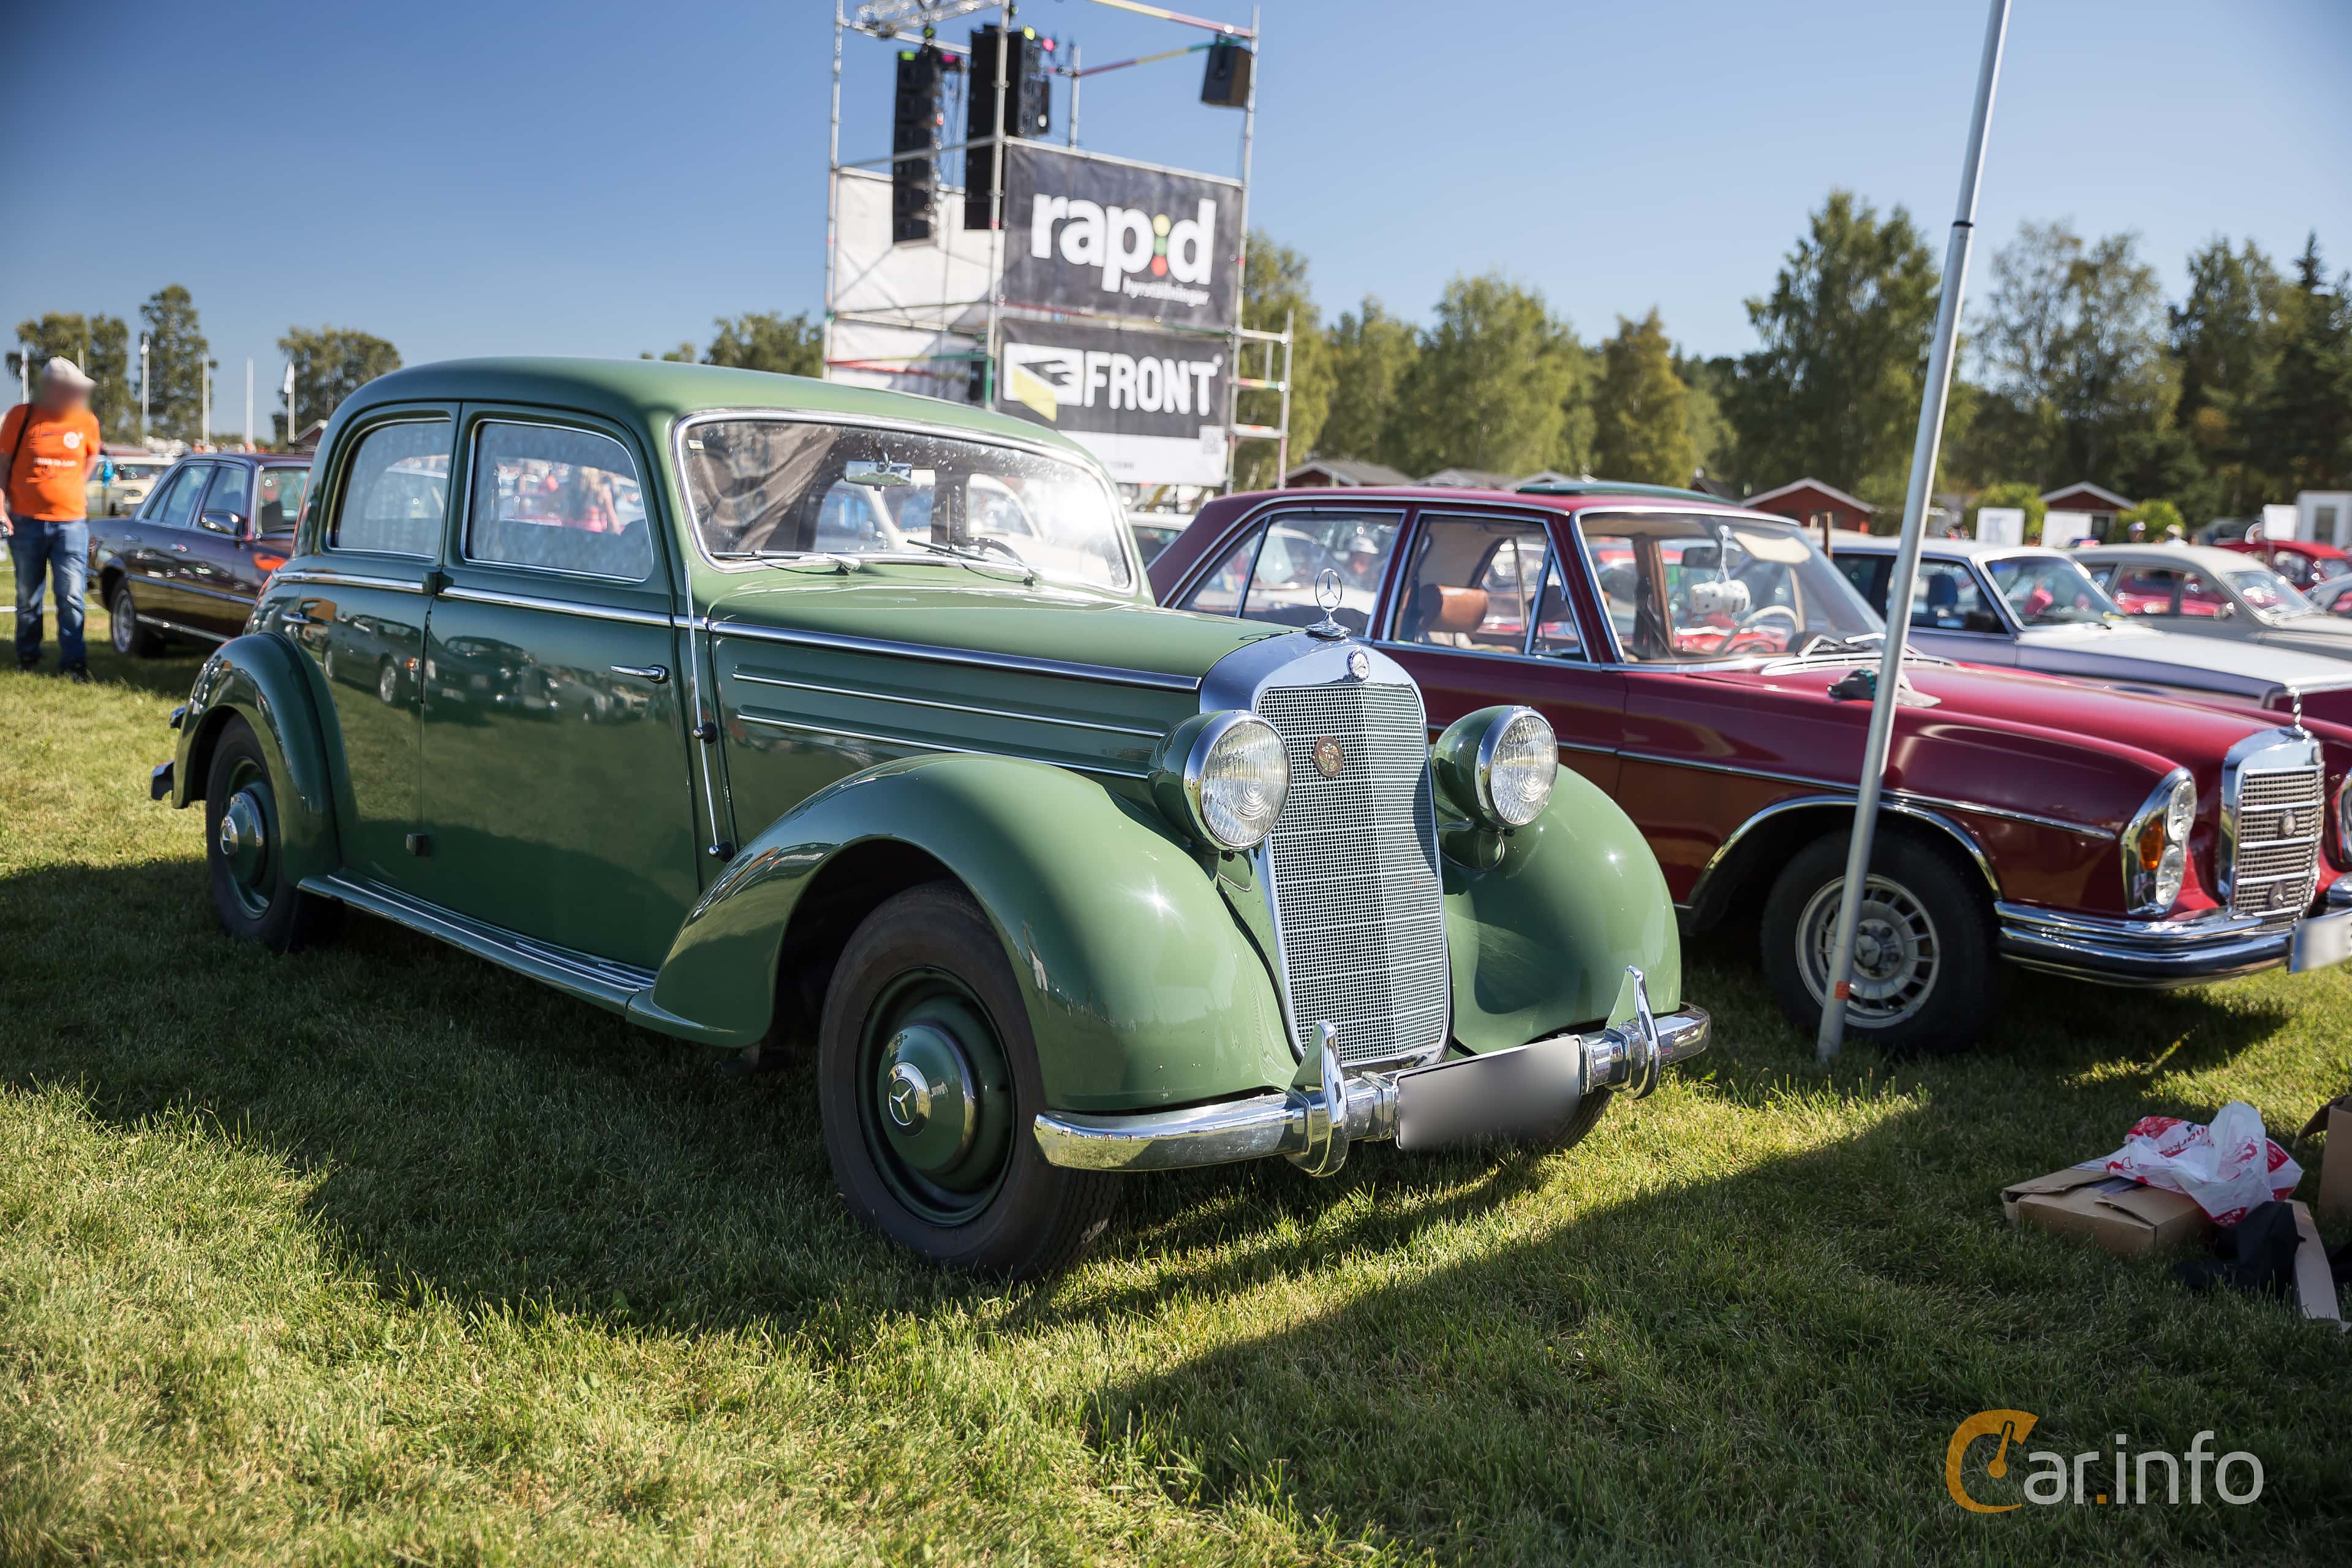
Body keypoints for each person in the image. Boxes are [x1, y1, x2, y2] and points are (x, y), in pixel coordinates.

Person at [4, 358, 105, 679]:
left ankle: (74, 664)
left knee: (72, 595)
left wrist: (78, 483)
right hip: (26, 520)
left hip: (72, 522)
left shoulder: (86, 419)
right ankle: (28, 658)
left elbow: (93, 453)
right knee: (27, 596)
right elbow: (2, 467)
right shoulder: (22, 417)